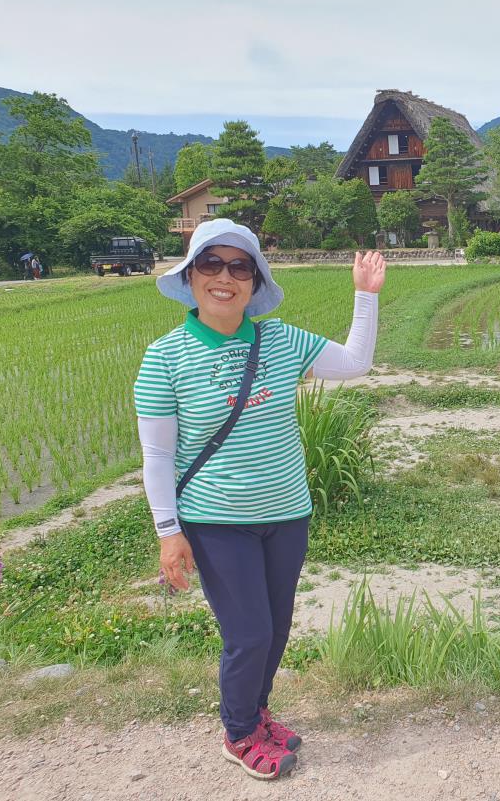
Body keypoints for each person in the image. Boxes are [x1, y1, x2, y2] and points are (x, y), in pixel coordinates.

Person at [134, 218, 386, 781]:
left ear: (254, 282)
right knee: (248, 634)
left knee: (274, 628)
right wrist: (168, 531)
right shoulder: (165, 358)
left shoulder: (282, 340)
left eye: (239, 267)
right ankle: (239, 731)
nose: (224, 277)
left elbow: (355, 363)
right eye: (210, 264)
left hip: (287, 514)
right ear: (190, 276)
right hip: (217, 521)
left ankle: (257, 712)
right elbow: (157, 456)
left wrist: (365, 296)